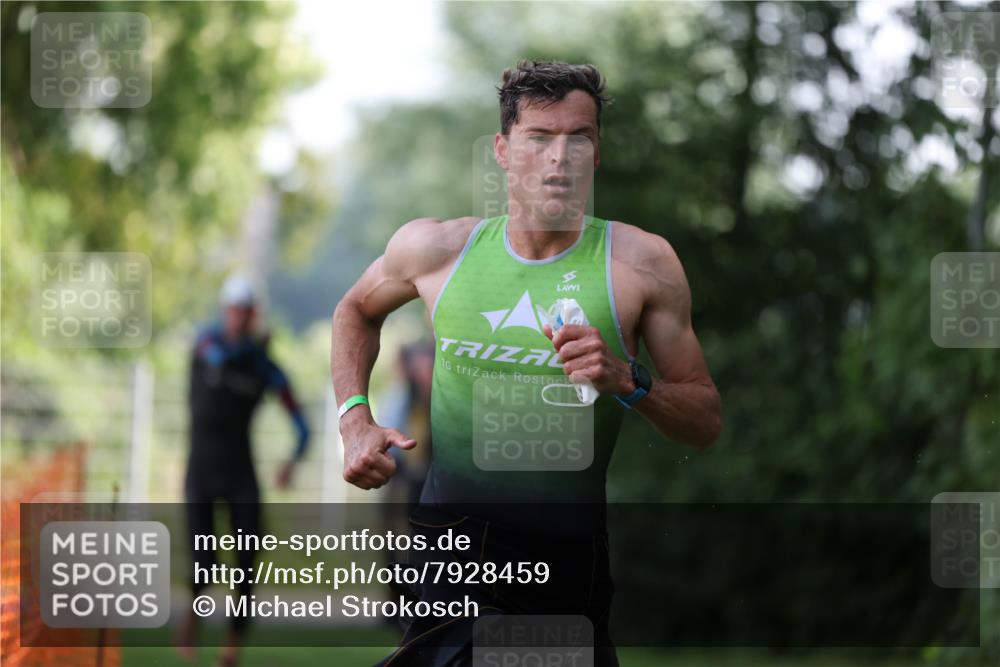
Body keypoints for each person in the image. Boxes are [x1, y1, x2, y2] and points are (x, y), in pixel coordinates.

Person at [331, 61, 721, 665]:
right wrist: (355, 418)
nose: (559, 158)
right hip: (448, 539)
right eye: (540, 139)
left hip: (566, 553)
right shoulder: (437, 251)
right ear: (504, 150)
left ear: (598, 153)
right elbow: (356, 310)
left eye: (579, 139)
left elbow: (703, 419)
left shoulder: (642, 265)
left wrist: (627, 380)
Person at [177, 273, 311, 667]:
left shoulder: (265, 367)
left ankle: (232, 646)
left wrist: (291, 462)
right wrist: (254, 350)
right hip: (200, 470)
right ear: (225, 310)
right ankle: (191, 622)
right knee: (205, 563)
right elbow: (222, 357)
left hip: (240, 474)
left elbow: (302, 425)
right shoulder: (206, 344)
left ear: (254, 313)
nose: (238, 317)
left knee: (246, 563)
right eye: (233, 309)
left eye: (245, 311)